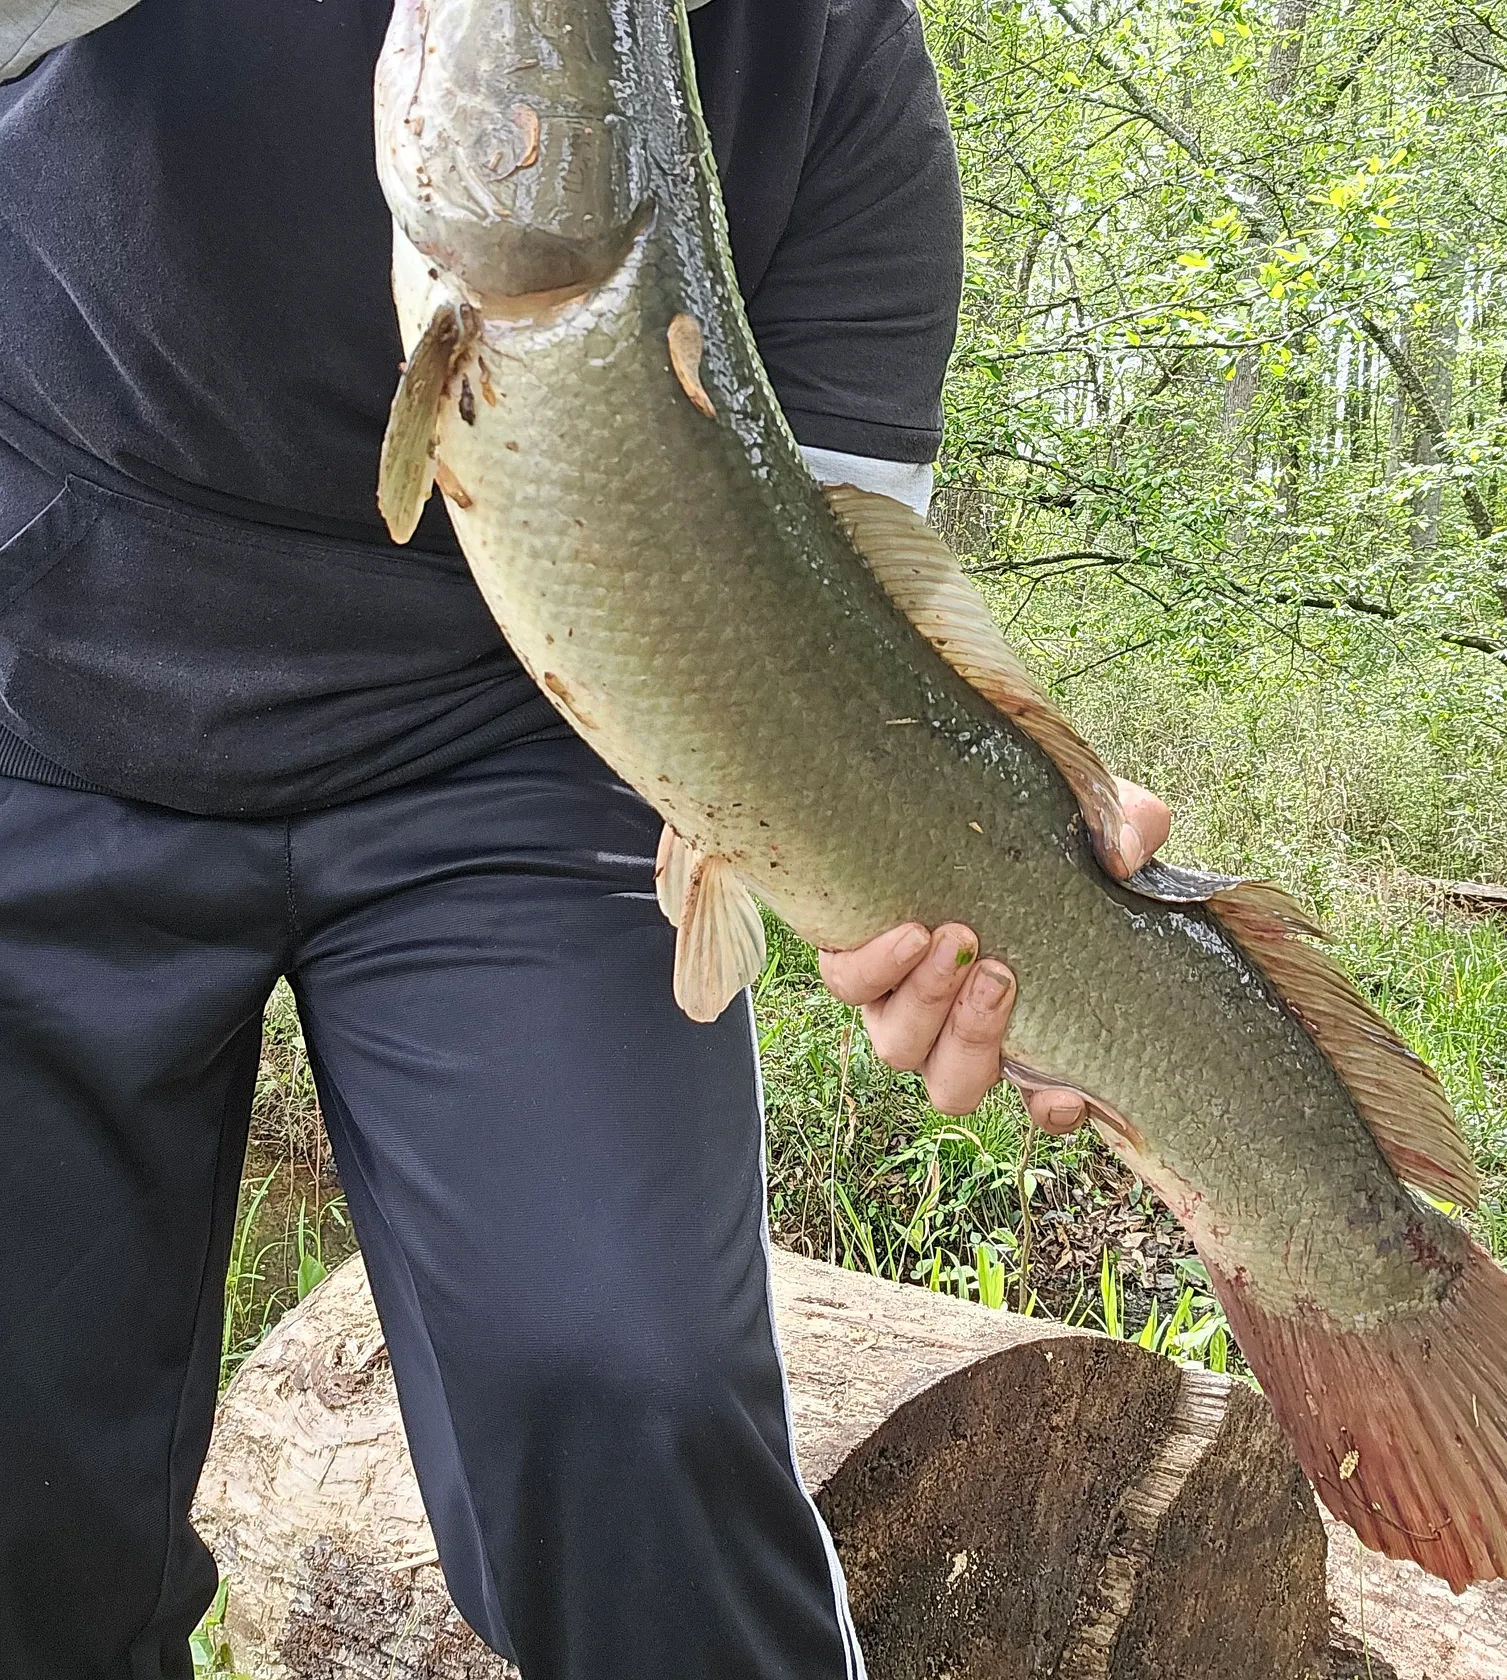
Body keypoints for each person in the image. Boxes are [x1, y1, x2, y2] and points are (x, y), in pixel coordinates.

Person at [0, 1, 1168, 1674]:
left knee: (629, 1395)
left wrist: (1002, 854)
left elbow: (831, 611)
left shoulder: (839, 68)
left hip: (529, 736)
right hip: (42, 671)